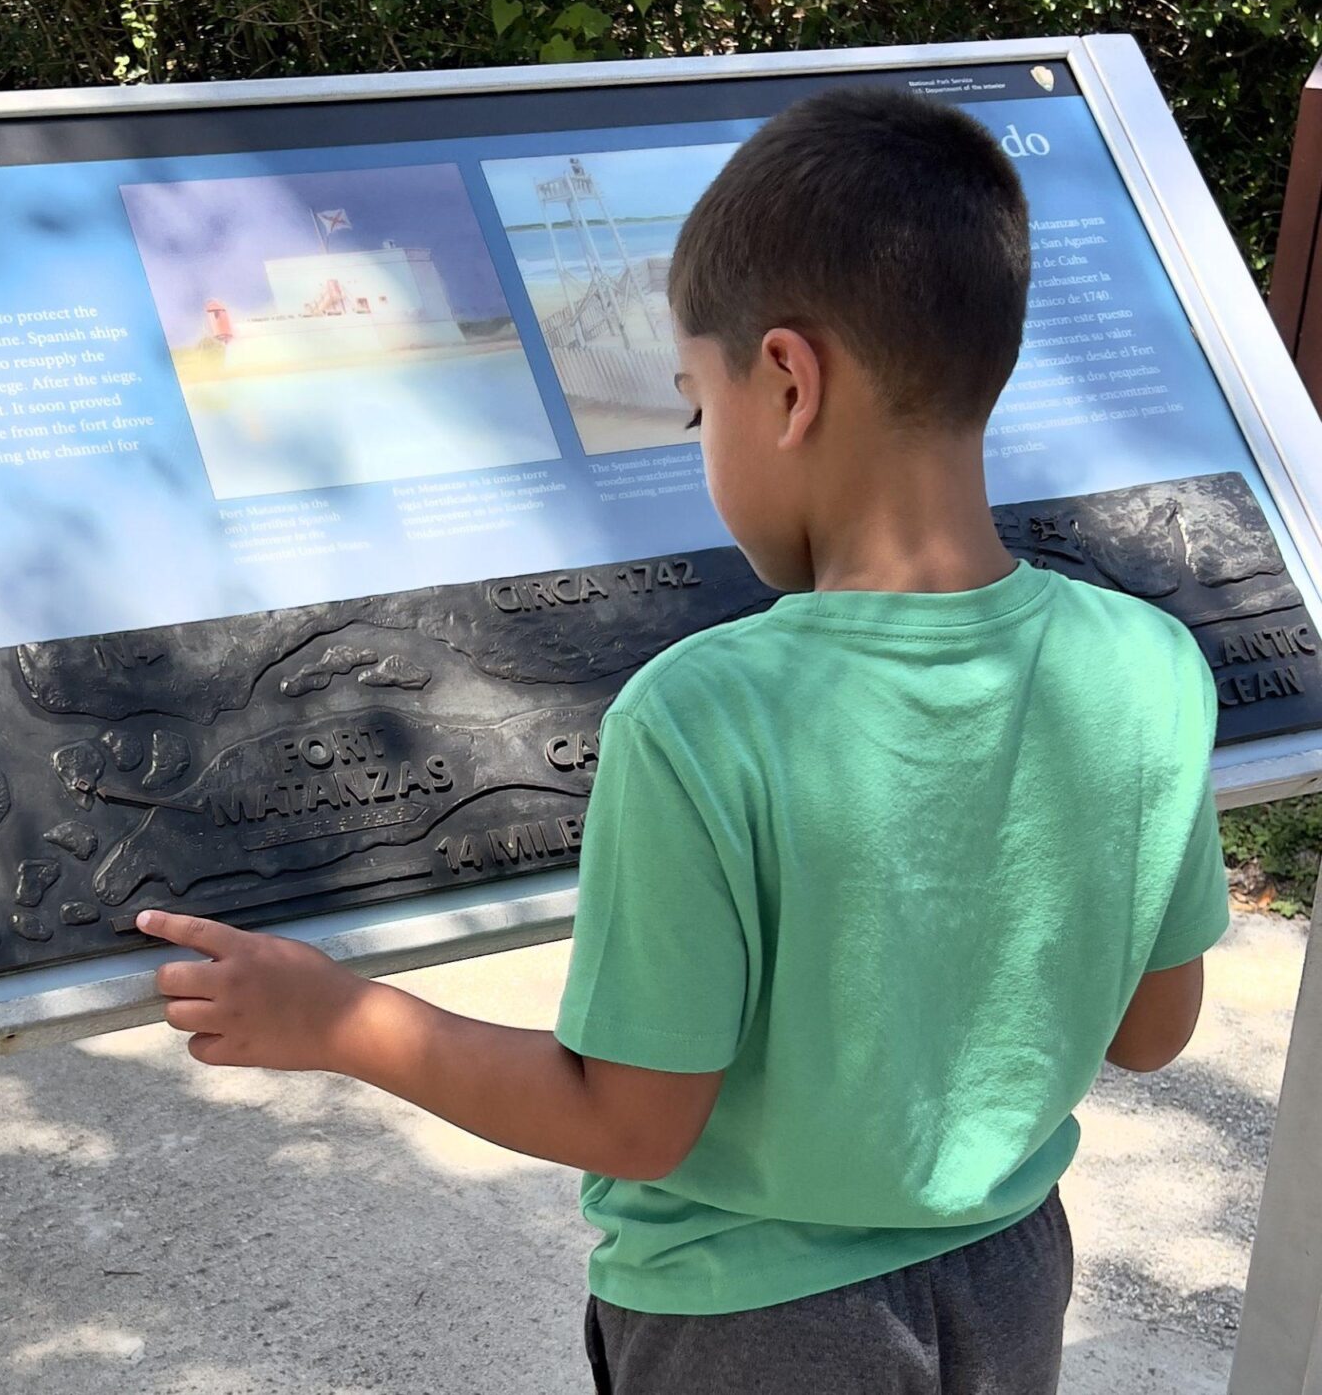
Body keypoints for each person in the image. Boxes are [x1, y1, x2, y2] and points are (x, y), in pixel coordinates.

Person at [139, 87, 1228, 1394]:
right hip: (1009, 1277)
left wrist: (336, 1016)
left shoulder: (697, 716)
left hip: (748, 1328)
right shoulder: (1149, 664)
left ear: (785, 382)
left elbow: (636, 1119)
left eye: (693, 408)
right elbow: (1155, 1027)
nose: (701, 444)